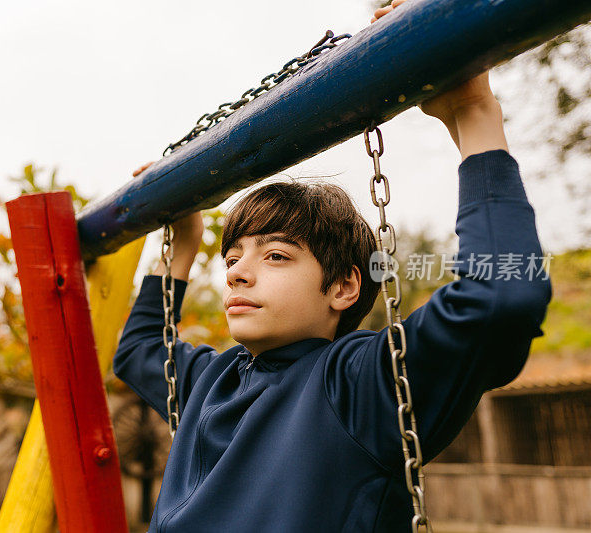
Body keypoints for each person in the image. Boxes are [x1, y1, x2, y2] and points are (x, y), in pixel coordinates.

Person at [113, 1, 552, 530]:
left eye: (275, 255)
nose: (236, 273)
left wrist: (475, 112)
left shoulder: (358, 387)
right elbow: (137, 350)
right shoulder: (212, 379)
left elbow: (502, 294)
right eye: (232, 258)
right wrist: (182, 248)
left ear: (344, 287)